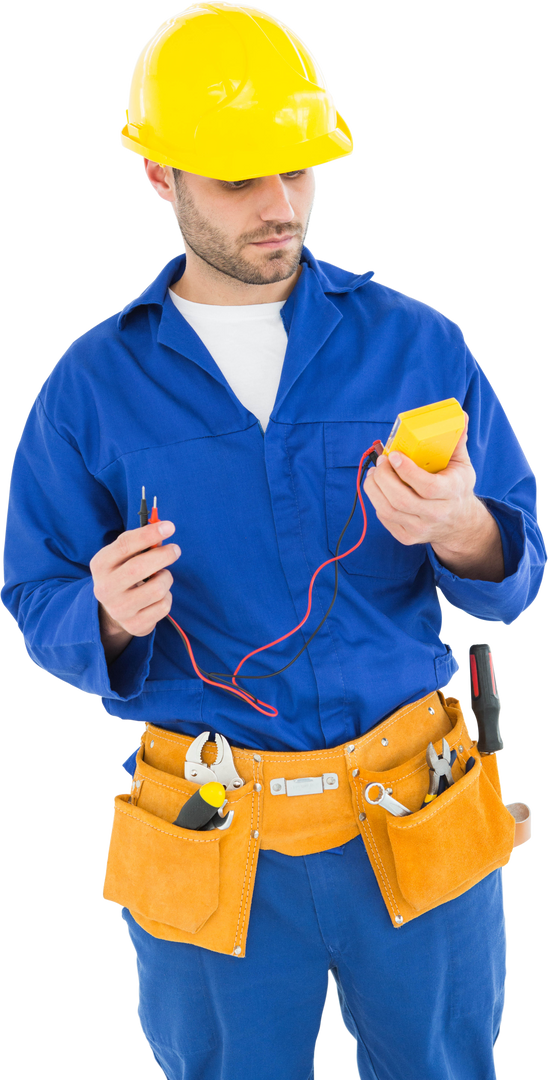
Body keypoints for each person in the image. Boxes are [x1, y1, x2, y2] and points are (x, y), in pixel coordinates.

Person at [1, 4, 544, 1079]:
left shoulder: (417, 342)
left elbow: (510, 569)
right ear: (160, 176)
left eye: (296, 171)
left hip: (415, 812)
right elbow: (35, 594)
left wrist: (462, 528)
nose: (280, 206)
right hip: (210, 835)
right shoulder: (90, 384)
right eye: (238, 180)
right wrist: (102, 612)